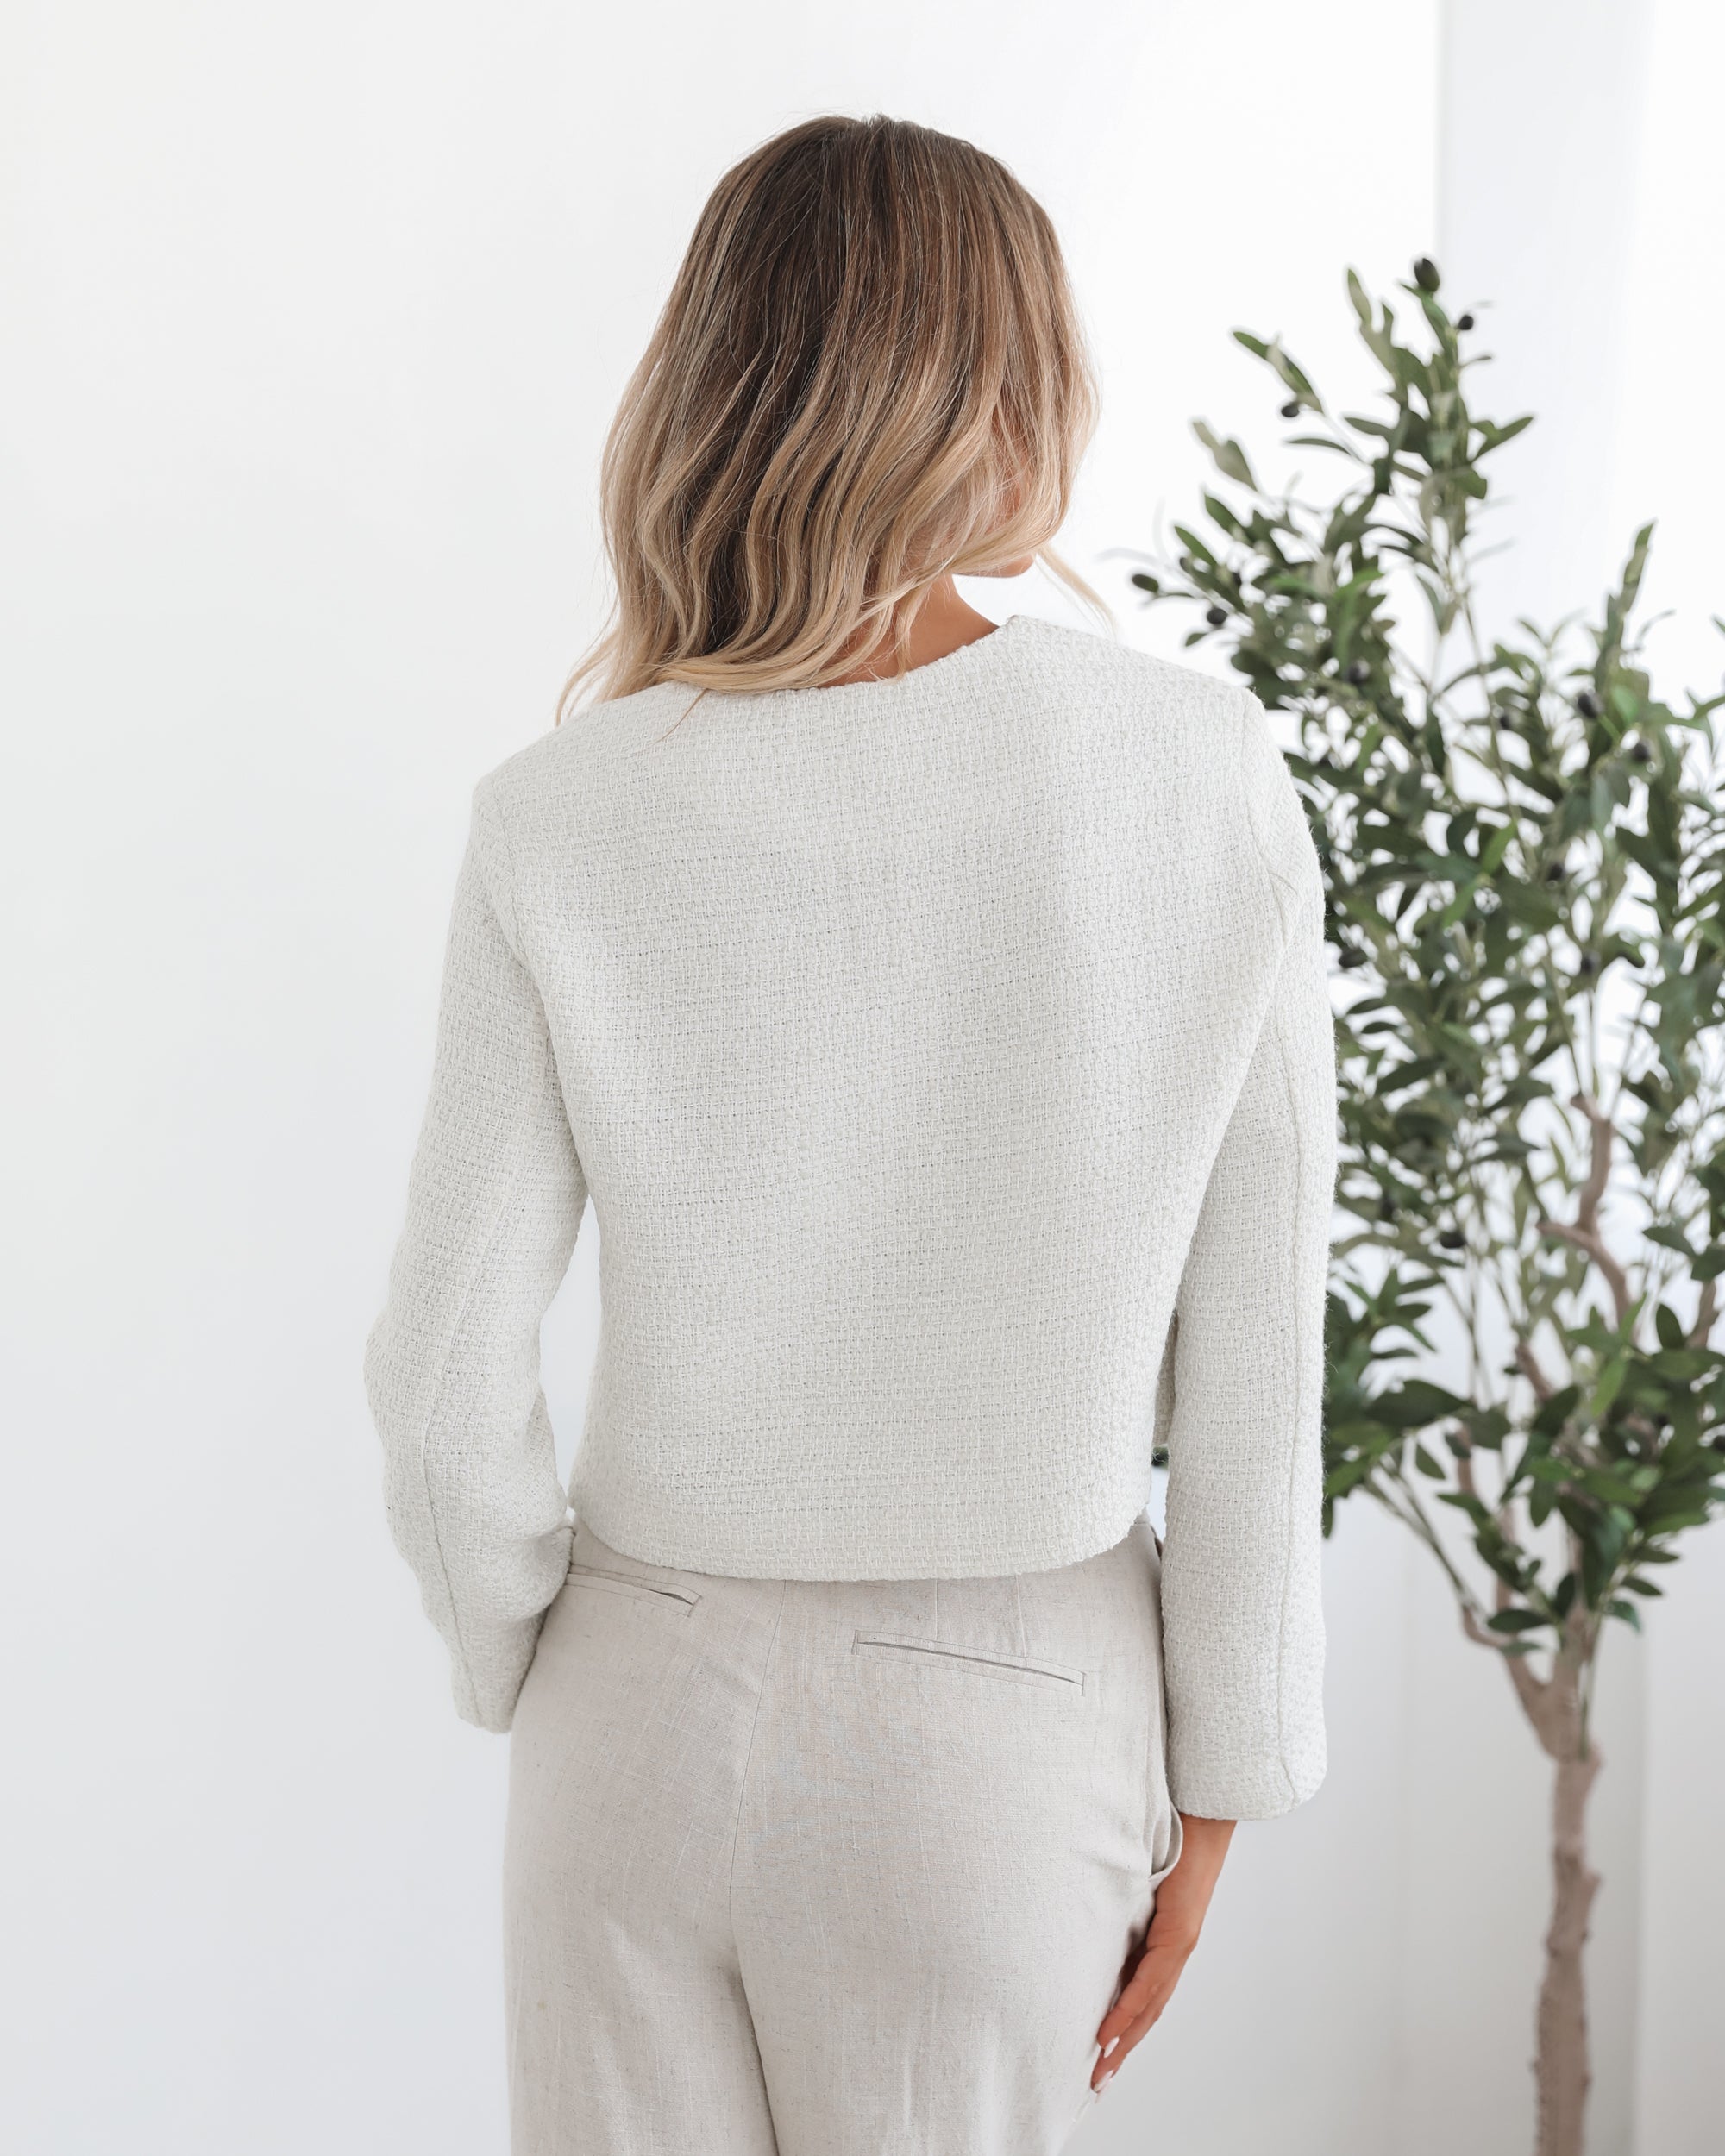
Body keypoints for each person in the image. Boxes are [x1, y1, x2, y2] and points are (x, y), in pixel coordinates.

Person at [364, 112, 1335, 2156]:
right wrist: (1226, 1778)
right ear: (1015, 385)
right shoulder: (1192, 773)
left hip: (629, 1705)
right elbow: (1257, 1359)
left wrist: (538, 1659)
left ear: (713, 382)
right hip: (1006, 1725)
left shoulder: (561, 812)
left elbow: (444, 1377)